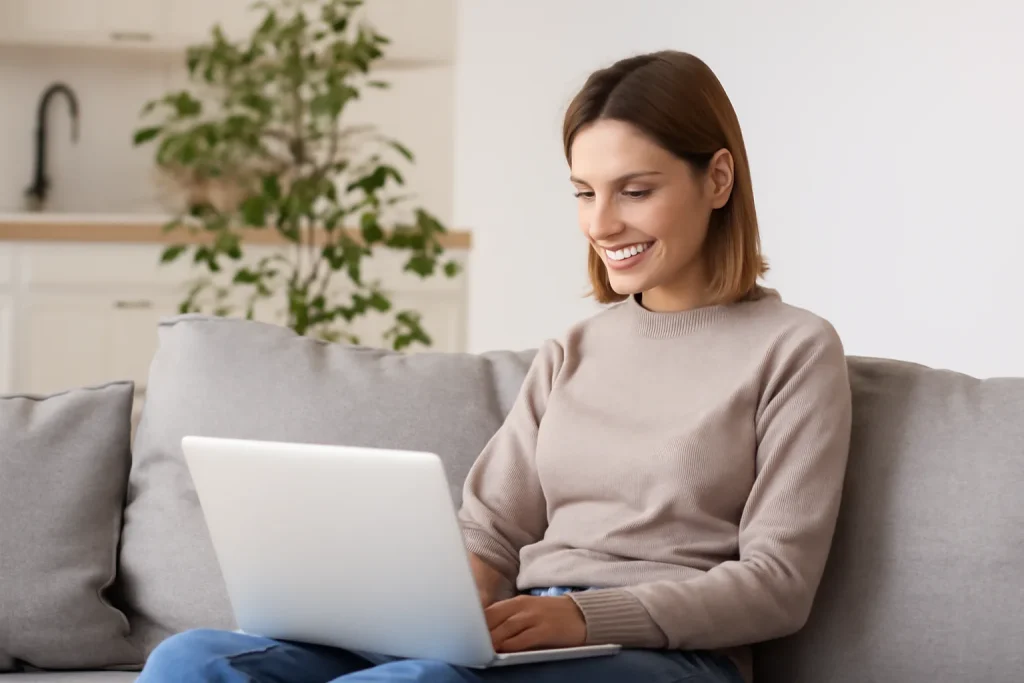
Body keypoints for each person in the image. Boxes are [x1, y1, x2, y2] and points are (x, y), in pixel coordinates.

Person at [137, 50, 852, 683]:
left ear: (718, 178)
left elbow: (777, 584)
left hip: (672, 657)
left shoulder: (793, 349)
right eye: (583, 191)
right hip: (525, 632)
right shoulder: (575, 349)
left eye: (635, 190)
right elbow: (489, 532)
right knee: (192, 661)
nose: (601, 223)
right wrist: (452, 609)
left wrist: (587, 618)